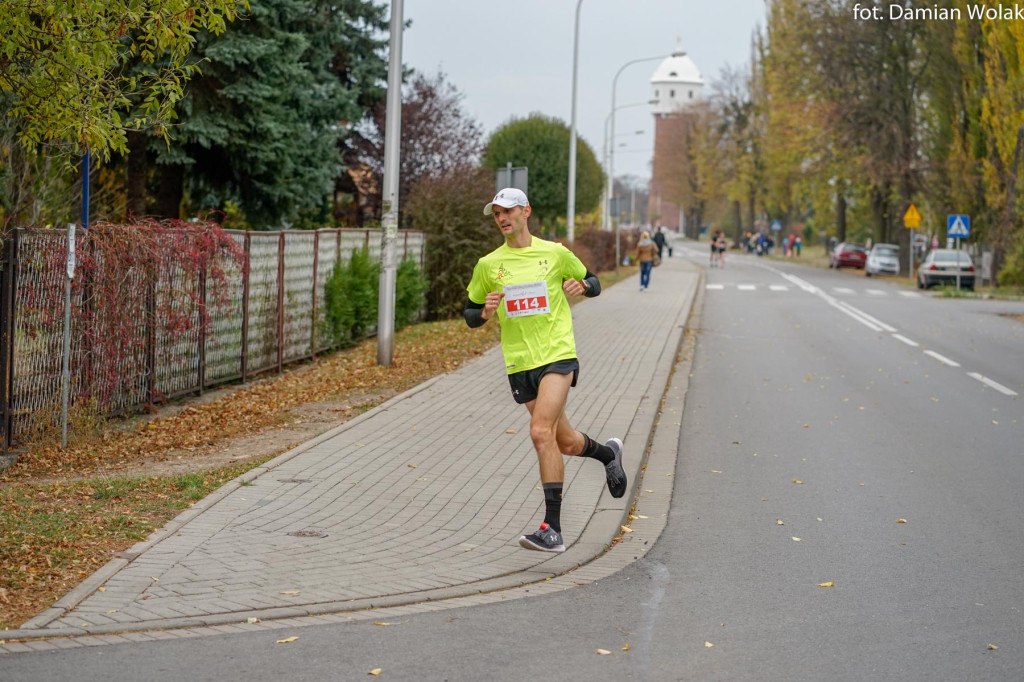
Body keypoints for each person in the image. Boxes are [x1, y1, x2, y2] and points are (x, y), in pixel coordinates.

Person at [464, 188, 627, 553]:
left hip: (557, 355)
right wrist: (485, 312)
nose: (502, 218)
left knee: (540, 431)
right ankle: (608, 454)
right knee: (563, 441)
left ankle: (551, 528)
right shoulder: (489, 265)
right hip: (519, 363)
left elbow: (595, 282)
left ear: (526, 212)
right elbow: (470, 313)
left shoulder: (554, 253)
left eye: (508, 211)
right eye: (496, 214)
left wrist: (583, 285)